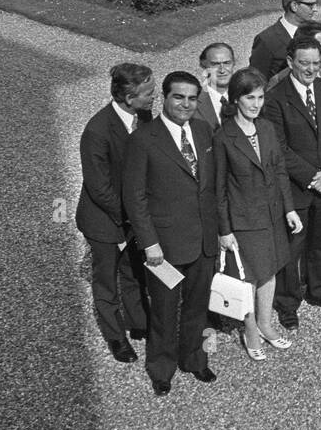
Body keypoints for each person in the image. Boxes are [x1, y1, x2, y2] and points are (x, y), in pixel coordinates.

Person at [121, 72, 220, 396]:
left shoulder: (204, 131)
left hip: (203, 241)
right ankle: (161, 368)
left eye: (193, 98)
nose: (186, 104)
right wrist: (149, 244)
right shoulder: (143, 139)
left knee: (197, 306)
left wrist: (220, 234)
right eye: (179, 97)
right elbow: (135, 198)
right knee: (163, 312)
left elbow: (212, 188)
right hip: (163, 247)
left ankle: (194, 358)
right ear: (165, 97)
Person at [215, 67, 303, 360]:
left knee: (271, 271)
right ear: (236, 99)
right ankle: (250, 328)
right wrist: (225, 230)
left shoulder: (266, 128)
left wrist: (289, 208)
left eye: (260, 97)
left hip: (273, 215)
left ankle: (266, 323)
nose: (256, 104)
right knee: (249, 277)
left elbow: (279, 171)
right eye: (249, 97)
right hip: (244, 221)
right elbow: (219, 188)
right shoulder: (224, 136)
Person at [262, 36, 321, 327]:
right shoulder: (275, 98)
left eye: (316, 62)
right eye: (304, 63)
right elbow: (279, 148)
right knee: (293, 247)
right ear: (290, 63)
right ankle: (288, 303)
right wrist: (315, 177)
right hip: (296, 189)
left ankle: (319, 290)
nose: (311, 69)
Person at [76, 63, 154, 363]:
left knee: (133, 272)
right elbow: (100, 189)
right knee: (107, 283)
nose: (153, 97)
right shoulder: (97, 131)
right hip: (105, 222)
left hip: (132, 216)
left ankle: (138, 324)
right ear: (127, 96)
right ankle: (116, 337)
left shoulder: (143, 116)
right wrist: (134, 215)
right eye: (147, 93)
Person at [251, 0, 319, 80]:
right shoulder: (266, 39)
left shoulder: (315, 32)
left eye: (316, 4)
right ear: (294, 6)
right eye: (310, 5)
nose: (315, 9)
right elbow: (256, 80)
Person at [196, 42, 235, 129]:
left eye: (227, 63)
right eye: (215, 64)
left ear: (233, 64)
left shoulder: (246, 96)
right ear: (203, 66)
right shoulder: (193, 102)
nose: (222, 70)